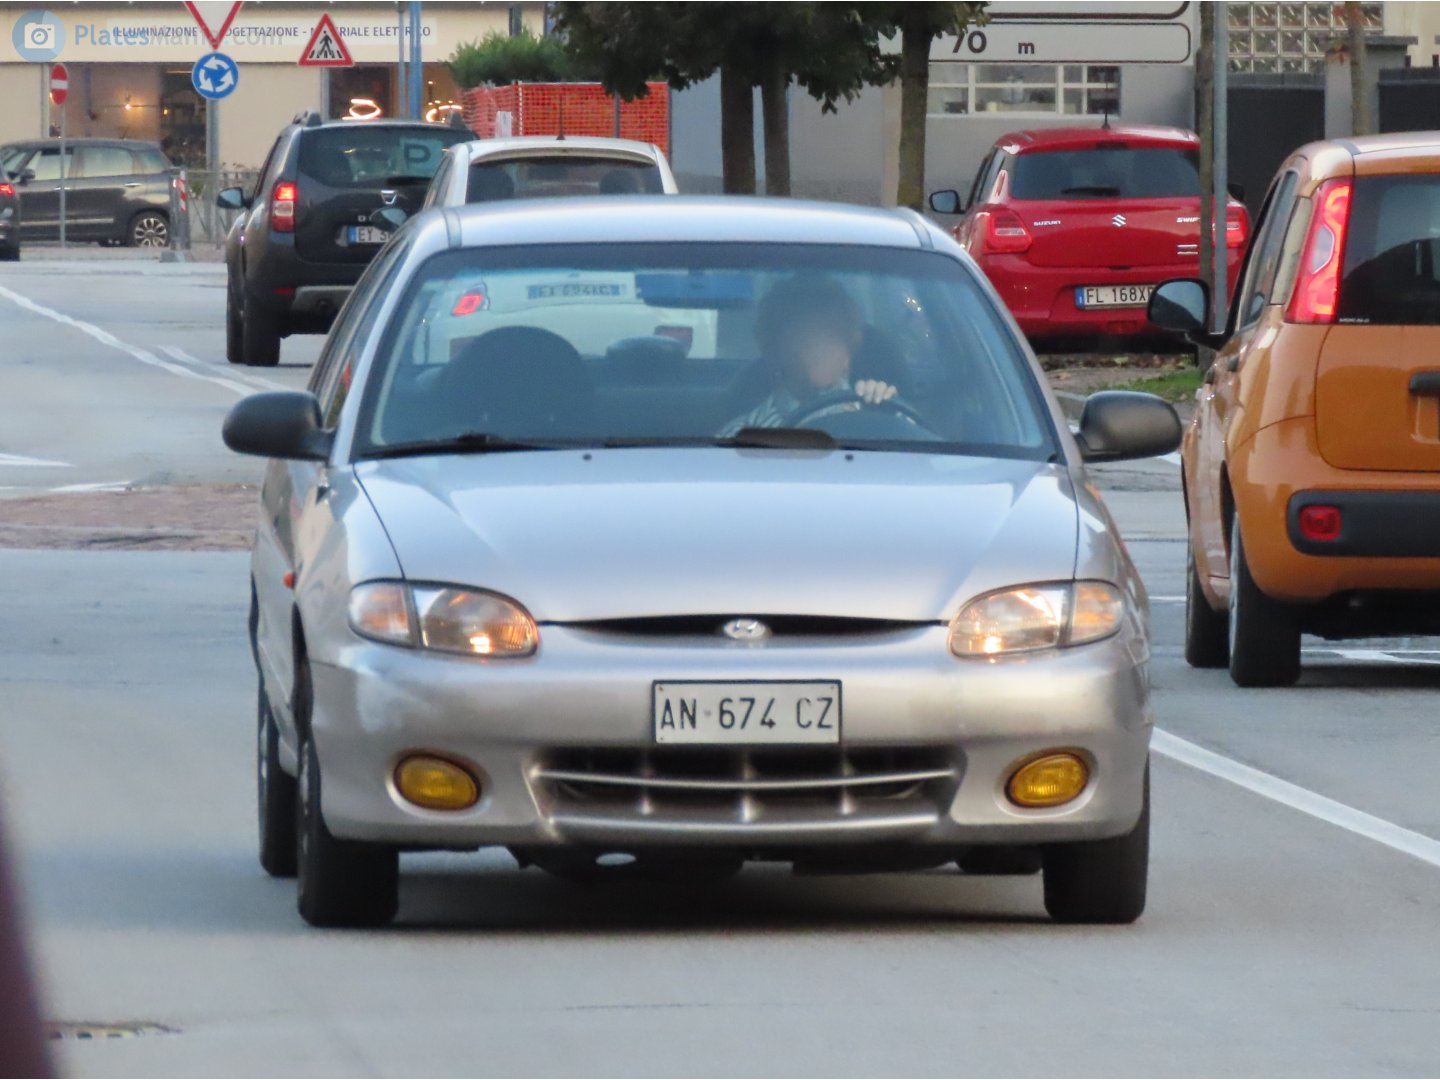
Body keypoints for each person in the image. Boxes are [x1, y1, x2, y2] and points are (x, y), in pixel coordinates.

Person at [721, 274, 896, 435]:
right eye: (805, 337)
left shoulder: (883, 412)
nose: (820, 349)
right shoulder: (739, 437)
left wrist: (882, 412)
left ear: (851, 347)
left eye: (832, 334)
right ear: (775, 349)